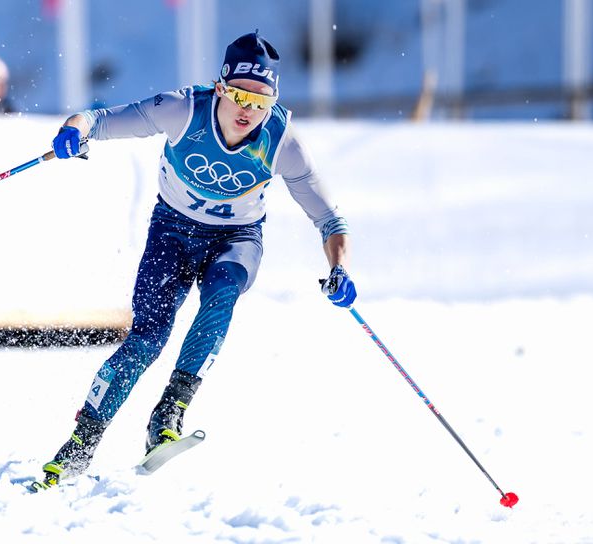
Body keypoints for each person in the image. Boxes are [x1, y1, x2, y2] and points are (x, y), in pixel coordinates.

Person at [34, 31, 357, 489]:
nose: (249, 110)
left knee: (224, 291)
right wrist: (74, 131)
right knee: (147, 339)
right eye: (241, 96)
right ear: (221, 87)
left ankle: (169, 414)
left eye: (262, 101)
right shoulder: (183, 109)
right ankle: (80, 443)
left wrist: (339, 268)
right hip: (172, 230)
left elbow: (329, 218)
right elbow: (98, 119)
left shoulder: (283, 140)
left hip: (236, 236)